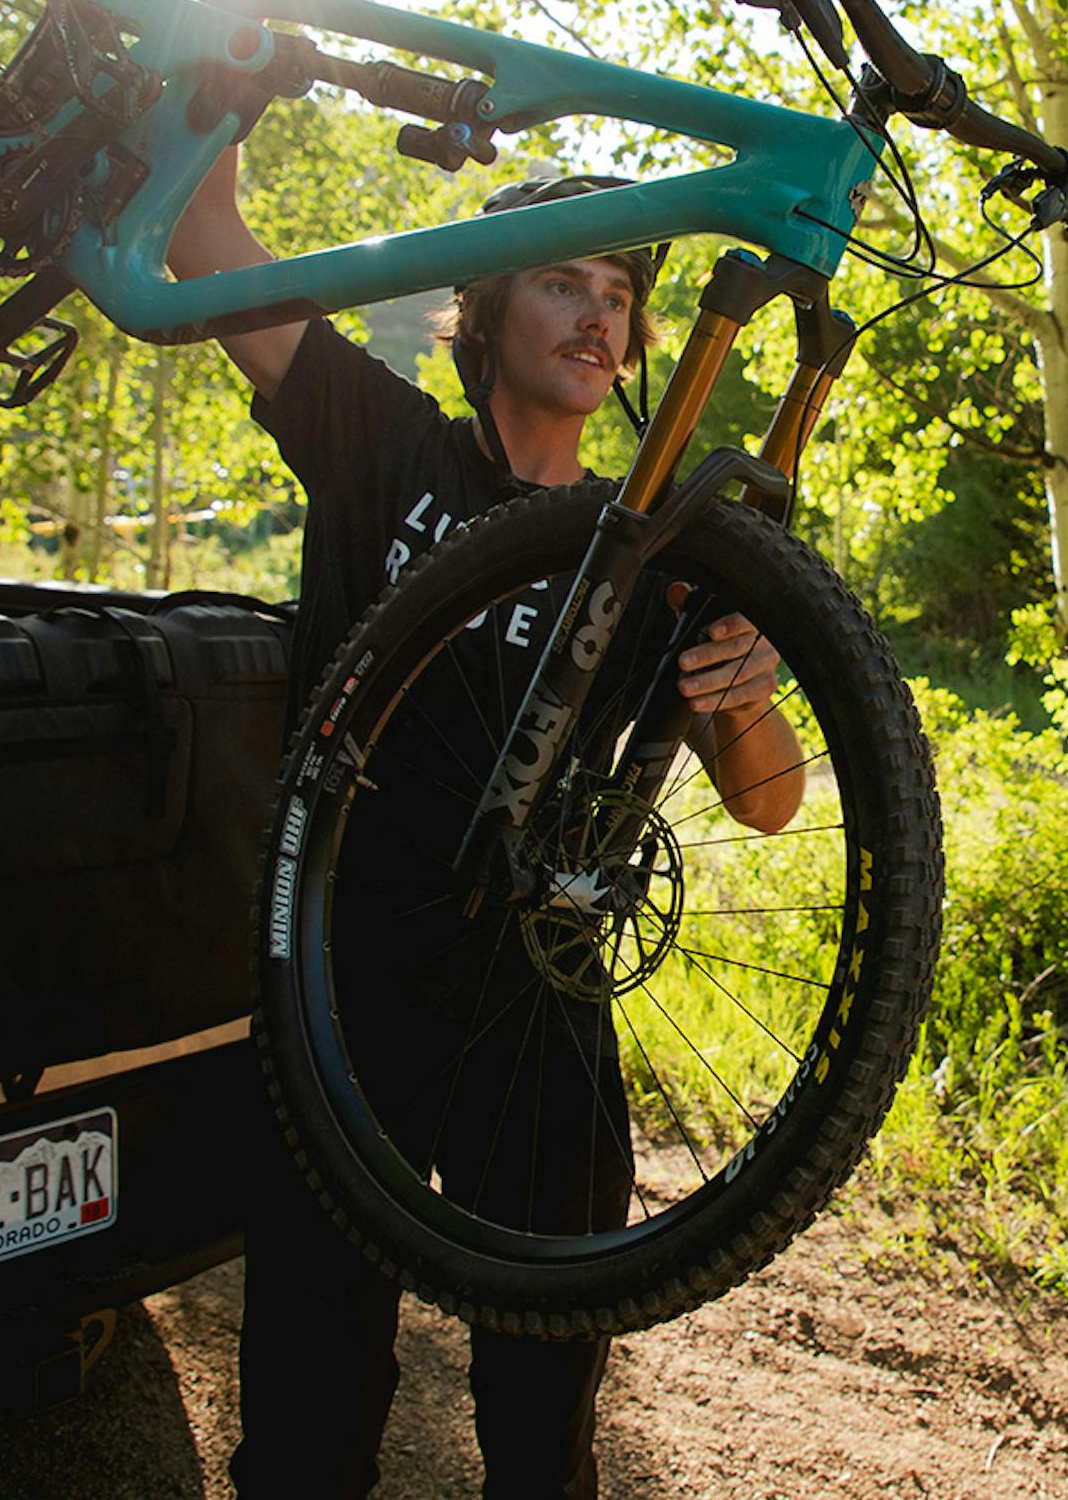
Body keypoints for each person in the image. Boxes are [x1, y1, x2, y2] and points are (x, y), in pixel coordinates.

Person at [170, 145, 803, 1498]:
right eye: (559, 281)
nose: (595, 316)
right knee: (307, 1408)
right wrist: (224, 59)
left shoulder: (647, 544)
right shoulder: (379, 441)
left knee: (541, 1422)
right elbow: (205, 237)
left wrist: (746, 692)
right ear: (484, 314)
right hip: (344, 990)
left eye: (620, 294)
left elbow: (772, 797)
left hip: (539, 1013)